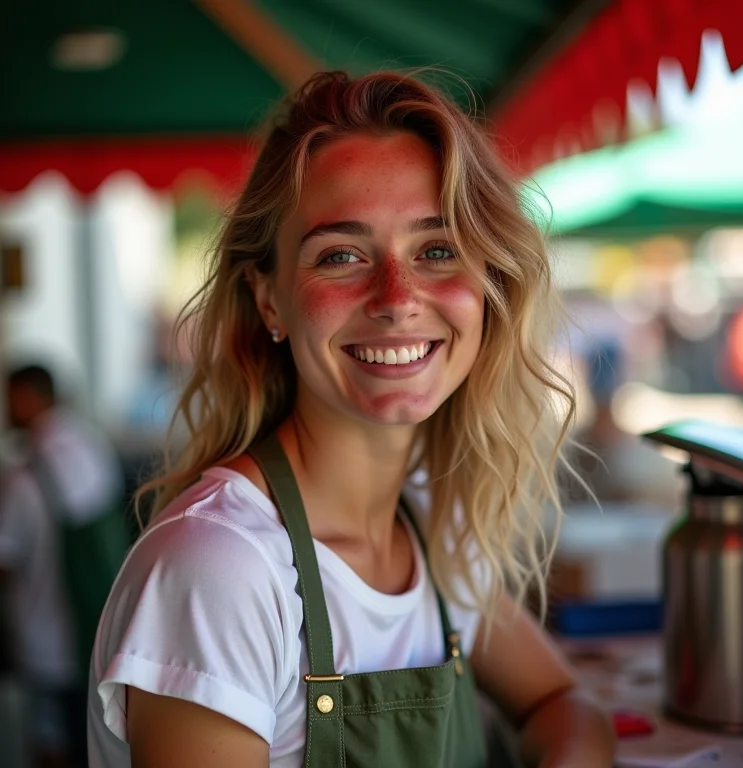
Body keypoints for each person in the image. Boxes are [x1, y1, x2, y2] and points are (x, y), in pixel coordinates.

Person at [87, 71, 616, 767]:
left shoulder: (430, 526)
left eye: (437, 250)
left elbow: (563, 703)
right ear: (270, 300)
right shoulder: (222, 569)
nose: (397, 299)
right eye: (341, 255)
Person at [0, 363, 125, 767]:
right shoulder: (93, 446)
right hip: (99, 633)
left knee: (51, 744)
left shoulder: (25, 478)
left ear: (27, 397)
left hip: (44, 644)